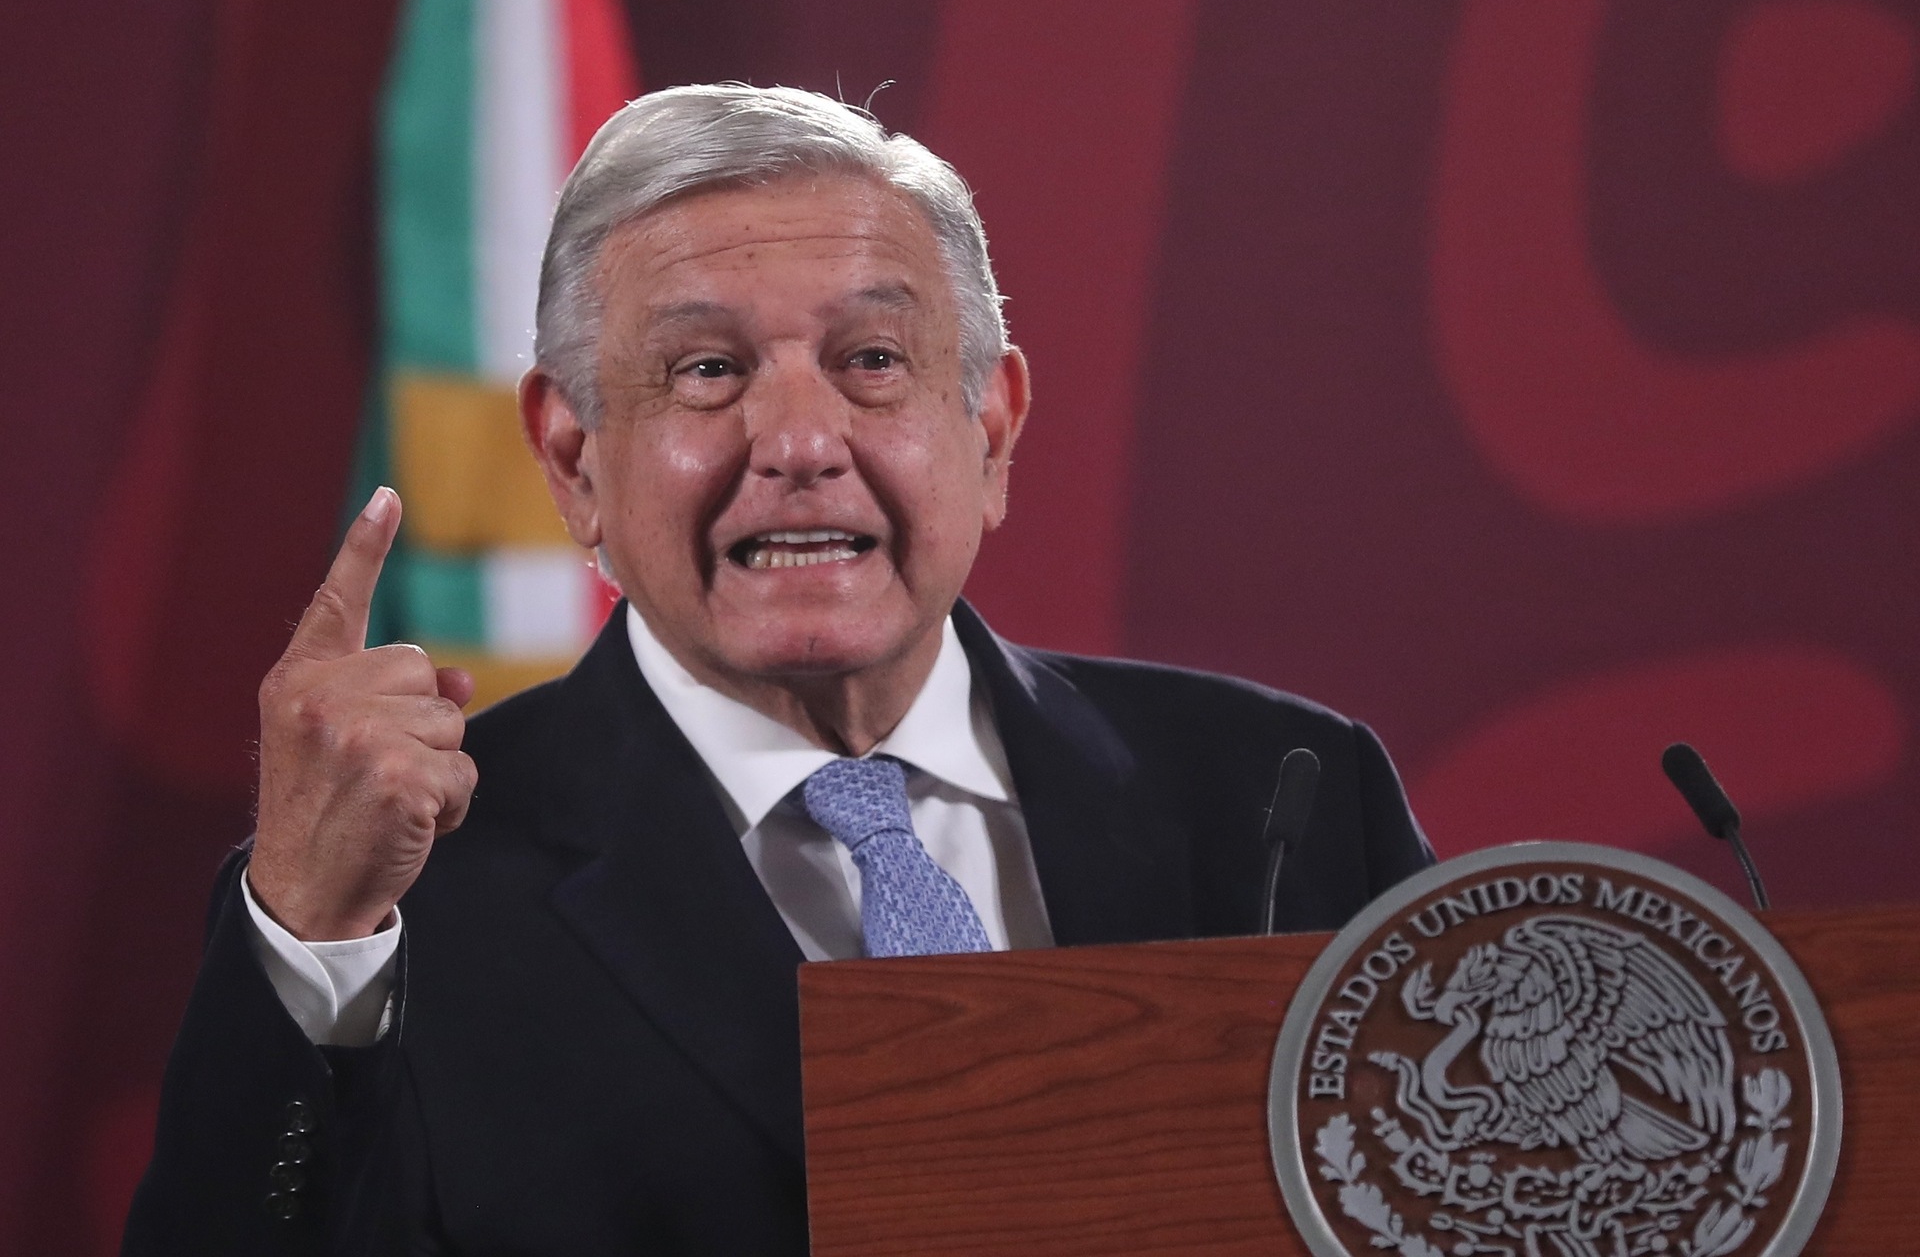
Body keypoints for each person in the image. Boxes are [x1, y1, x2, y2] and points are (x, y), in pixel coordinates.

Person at [124, 84, 1432, 1255]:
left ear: (990, 429)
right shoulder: (399, 898)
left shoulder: (1287, 794)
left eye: (872, 361)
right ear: (574, 458)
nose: (800, 441)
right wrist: (316, 938)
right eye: (707, 370)